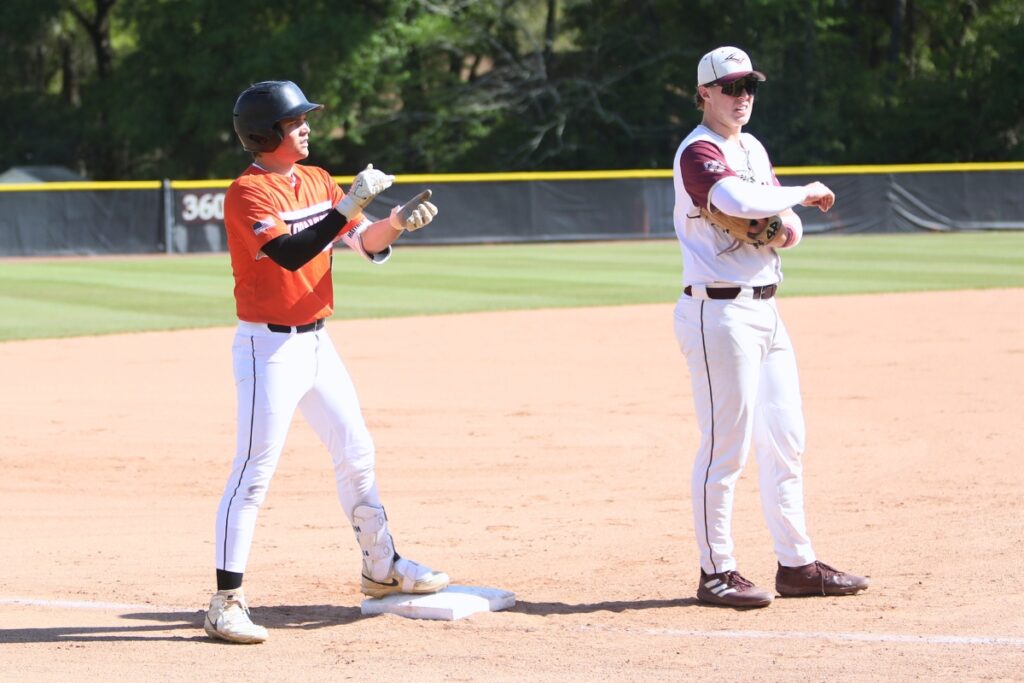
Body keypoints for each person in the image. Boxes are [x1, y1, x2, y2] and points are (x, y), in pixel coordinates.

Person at [204, 80, 447, 643]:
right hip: (268, 349)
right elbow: (291, 254)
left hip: (317, 342)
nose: (308, 127)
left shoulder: (316, 178)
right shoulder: (247, 193)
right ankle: (225, 600)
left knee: (357, 450)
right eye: (297, 121)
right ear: (268, 134)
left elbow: (361, 240)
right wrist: (348, 206)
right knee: (253, 470)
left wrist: (394, 224)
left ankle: (381, 571)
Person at [670, 47, 869, 608]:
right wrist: (799, 194)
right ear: (705, 93)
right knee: (724, 448)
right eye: (731, 87)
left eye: (750, 86)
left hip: (766, 309)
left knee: (786, 440)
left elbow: (789, 224)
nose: (743, 96)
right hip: (719, 313)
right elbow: (736, 198)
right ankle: (717, 571)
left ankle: (797, 563)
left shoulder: (751, 147)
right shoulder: (698, 150)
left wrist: (784, 224)